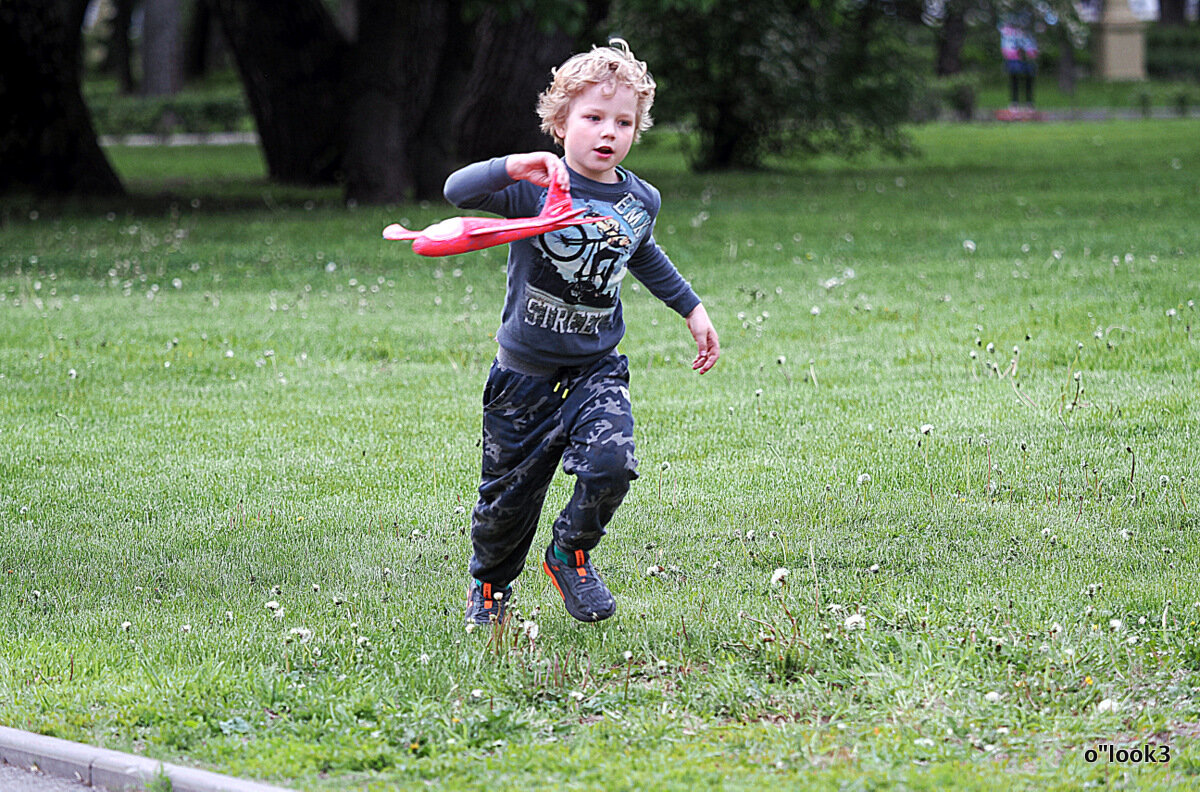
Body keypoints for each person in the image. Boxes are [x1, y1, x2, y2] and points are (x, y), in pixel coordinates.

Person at [443, 38, 720, 626]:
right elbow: (456, 192)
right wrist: (514, 166)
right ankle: (490, 590)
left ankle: (570, 554)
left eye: (624, 122)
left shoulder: (640, 199)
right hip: (523, 377)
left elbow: (644, 256)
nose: (608, 132)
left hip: (595, 367)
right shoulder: (535, 187)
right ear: (560, 121)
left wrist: (692, 310)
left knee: (612, 463)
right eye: (593, 117)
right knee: (506, 503)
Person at [999, 8, 1038, 112]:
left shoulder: (1029, 33)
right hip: (1014, 59)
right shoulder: (1008, 32)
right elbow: (1005, 46)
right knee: (1014, 80)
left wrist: (1030, 53)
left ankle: (1029, 103)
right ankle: (1014, 103)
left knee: (1028, 81)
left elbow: (1033, 47)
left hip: (1027, 59)